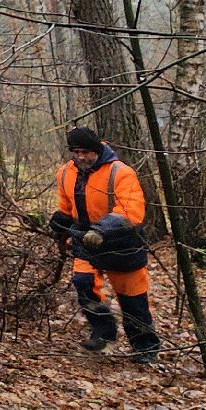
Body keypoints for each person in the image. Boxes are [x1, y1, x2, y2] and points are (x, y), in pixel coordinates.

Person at [52, 126, 161, 363]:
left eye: (86, 152)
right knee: (83, 283)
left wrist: (102, 230)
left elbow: (131, 211)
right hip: (86, 243)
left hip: (123, 244)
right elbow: (67, 207)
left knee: (133, 299)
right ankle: (103, 331)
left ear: (98, 149)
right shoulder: (65, 173)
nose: (81, 157)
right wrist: (60, 220)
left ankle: (145, 347)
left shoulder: (120, 173)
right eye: (76, 151)